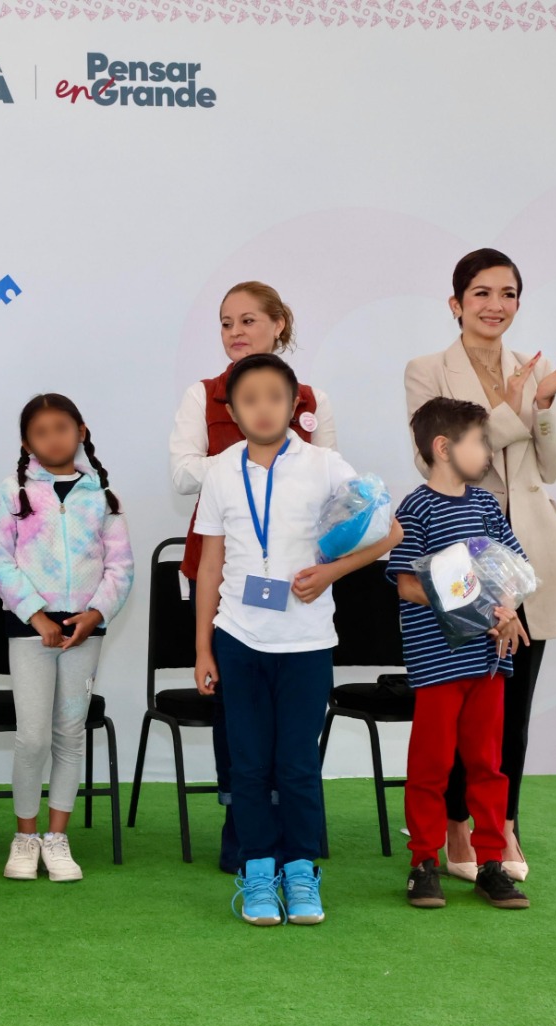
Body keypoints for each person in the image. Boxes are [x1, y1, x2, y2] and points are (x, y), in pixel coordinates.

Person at [193, 354, 401, 926]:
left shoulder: (325, 465)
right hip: (238, 638)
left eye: (274, 397)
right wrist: (203, 647)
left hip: (307, 643)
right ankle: (258, 873)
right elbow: (209, 566)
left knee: (298, 765)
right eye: (249, 399)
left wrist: (332, 572)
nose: (263, 408)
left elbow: (390, 531)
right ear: (233, 411)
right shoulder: (220, 470)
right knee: (249, 765)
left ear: (293, 405)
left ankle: (302, 871)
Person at [403, 248, 556, 882]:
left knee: (514, 703)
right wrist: (511, 410)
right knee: (460, 697)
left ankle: (503, 823)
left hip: (526, 555)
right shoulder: (426, 370)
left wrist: (544, 405)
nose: (495, 305)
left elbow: (553, 467)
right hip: (461, 554)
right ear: (456, 304)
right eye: (481, 293)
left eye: (508, 293)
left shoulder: (529, 368)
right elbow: (436, 458)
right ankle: (454, 822)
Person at [168, 281, 336, 874]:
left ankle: (289, 841)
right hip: (222, 569)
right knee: (234, 717)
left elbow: (334, 501)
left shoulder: (311, 398)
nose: (235, 333)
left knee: (288, 731)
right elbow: (182, 474)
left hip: (297, 580)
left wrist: (279, 459)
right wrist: (247, 460)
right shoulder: (204, 393)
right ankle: (241, 828)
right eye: (225, 323)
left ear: (278, 325)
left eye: (247, 321)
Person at [0, 394, 133, 882]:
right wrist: (37, 615)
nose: (53, 439)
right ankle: (25, 837)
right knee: (32, 738)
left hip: (84, 632)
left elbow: (121, 566)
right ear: (27, 443)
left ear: (81, 431)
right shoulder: (14, 492)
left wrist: (96, 614)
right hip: (32, 631)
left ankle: (56, 838)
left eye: (62, 428)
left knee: (70, 734)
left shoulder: (103, 495)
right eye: (41, 432)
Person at [389, 397, 531, 910]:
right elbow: (407, 583)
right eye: (479, 442)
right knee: (430, 766)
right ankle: (423, 862)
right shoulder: (416, 508)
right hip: (438, 665)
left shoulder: (487, 506)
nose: (488, 451)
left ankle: (490, 863)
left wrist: (507, 608)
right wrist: (471, 603)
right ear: (443, 448)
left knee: (488, 765)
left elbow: (514, 568)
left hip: (488, 664)